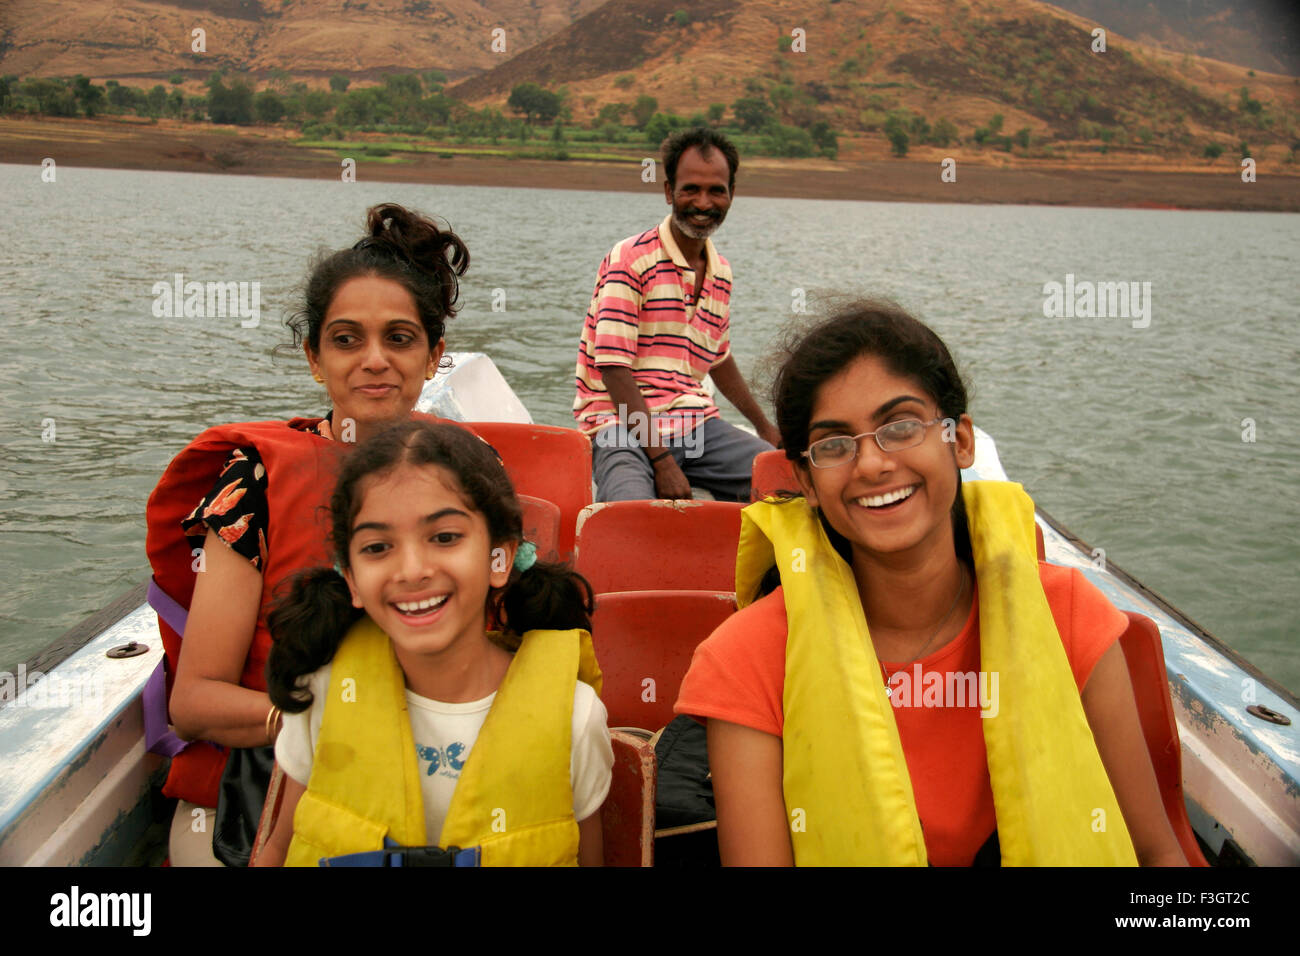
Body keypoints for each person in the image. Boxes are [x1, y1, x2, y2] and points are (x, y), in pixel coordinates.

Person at [675, 301, 1189, 866]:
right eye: (835, 445)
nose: (871, 465)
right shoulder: (747, 660)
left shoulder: (1066, 615)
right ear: (807, 481)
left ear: (960, 440)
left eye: (900, 427)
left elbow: (1157, 856)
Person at [146, 203, 470, 866]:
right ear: (314, 358)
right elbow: (196, 701)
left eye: (400, 339)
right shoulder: (253, 486)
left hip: (434, 780)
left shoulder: (470, 478)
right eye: (347, 340)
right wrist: (331, 724)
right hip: (271, 789)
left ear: (435, 355)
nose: (374, 361)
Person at [254, 421, 612, 867]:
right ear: (351, 580)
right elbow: (279, 847)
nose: (412, 569)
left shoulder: (575, 718)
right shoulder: (322, 693)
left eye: (444, 538)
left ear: (500, 557)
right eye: (378, 547)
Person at [573, 126, 779, 502]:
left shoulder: (721, 272)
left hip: (694, 423)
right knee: (629, 509)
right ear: (669, 191)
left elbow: (719, 357)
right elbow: (614, 369)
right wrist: (662, 461)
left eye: (716, 190)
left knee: (783, 483)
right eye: (691, 189)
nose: (703, 203)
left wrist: (764, 426)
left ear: (731, 194)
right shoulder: (632, 259)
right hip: (621, 425)